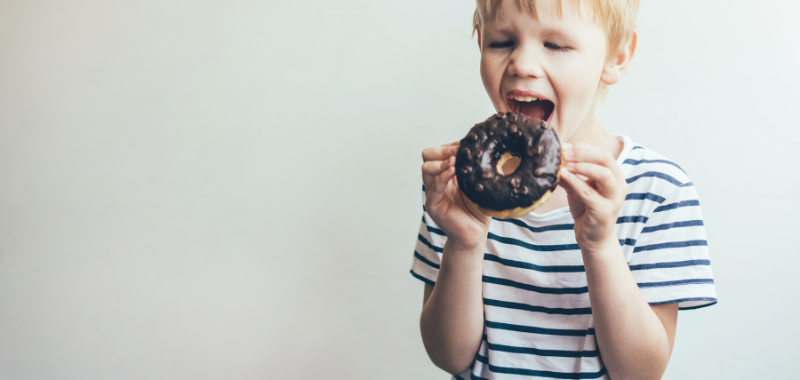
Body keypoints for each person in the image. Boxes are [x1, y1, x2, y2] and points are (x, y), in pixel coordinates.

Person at [409, 1, 717, 379]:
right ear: (479, 45)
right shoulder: (458, 189)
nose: (521, 63)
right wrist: (464, 244)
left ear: (616, 57)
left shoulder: (658, 191)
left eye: (555, 45)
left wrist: (601, 246)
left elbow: (641, 372)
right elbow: (448, 356)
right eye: (501, 41)